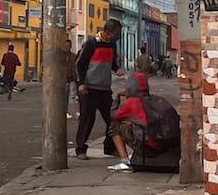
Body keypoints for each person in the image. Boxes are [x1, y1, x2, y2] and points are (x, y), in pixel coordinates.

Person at [107, 72, 180, 172]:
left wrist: (117, 97)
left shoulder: (132, 102)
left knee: (114, 125)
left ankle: (125, 162)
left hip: (150, 148)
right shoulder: (157, 99)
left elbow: (113, 115)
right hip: (167, 146)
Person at [74, 18, 124, 160]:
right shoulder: (91, 44)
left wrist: (117, 69)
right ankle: (81, 149)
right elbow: (79, 65)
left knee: (112, 119)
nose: (117, 37)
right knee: (87, 120)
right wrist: (81, 83)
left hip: (104, 88)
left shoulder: (112, 46)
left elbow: (112, 63)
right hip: (89, 88)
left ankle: (109, 147)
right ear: (108, 32)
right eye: (116, 34)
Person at [65, 39, 79, 119]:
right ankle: (66, 112)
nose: (67, 47)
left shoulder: (73, 56)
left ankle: (77, 112)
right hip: (64, 79)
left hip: (72, 78)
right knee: (65, 97)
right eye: (66, 45)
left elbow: (76, 66)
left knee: (74, 96)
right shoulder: (62, 57)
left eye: (69, 45)